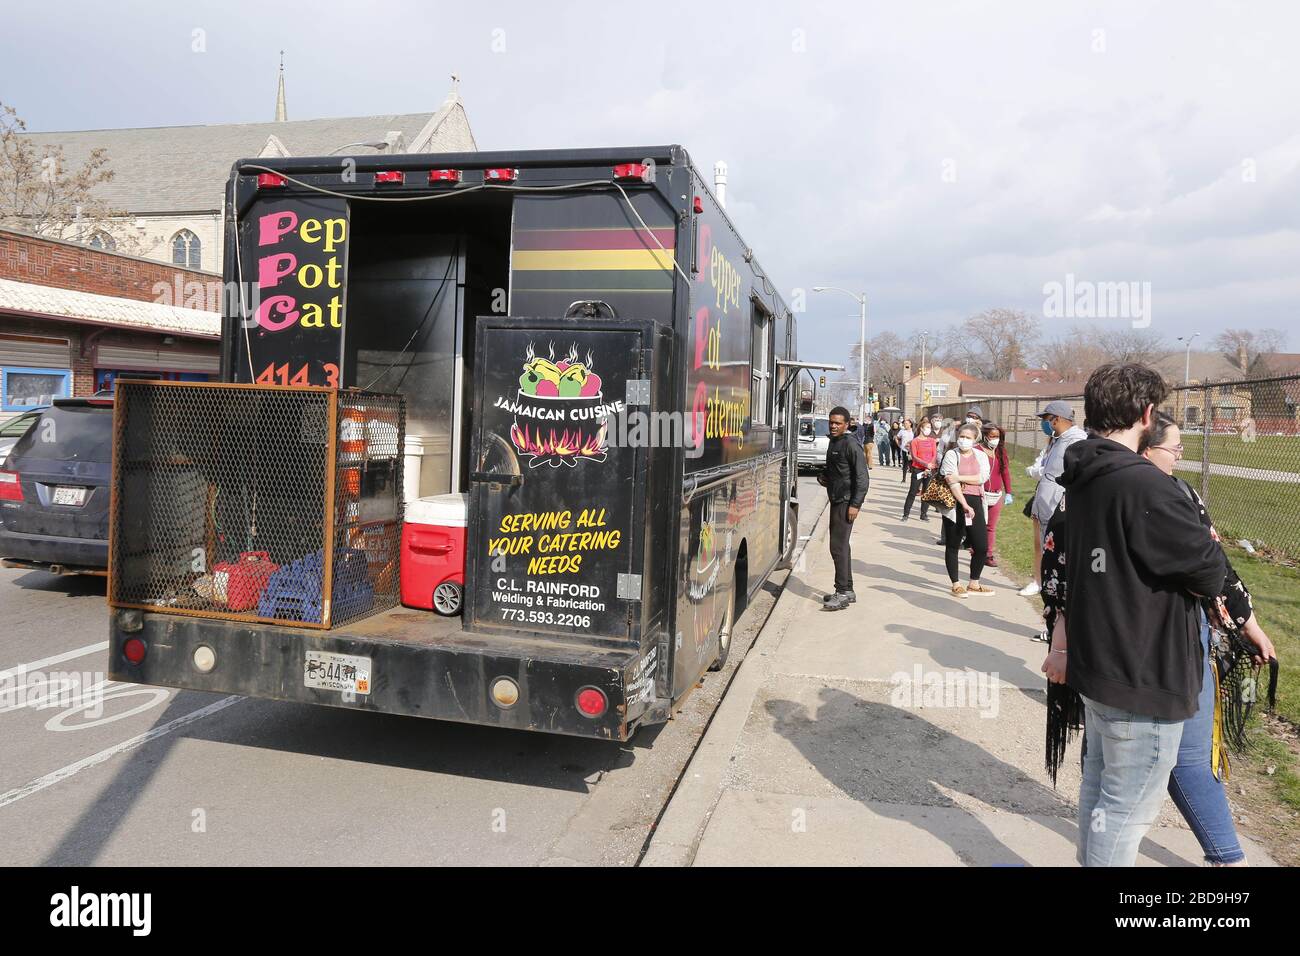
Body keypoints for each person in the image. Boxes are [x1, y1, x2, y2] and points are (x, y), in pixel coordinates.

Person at [1041, 364, 1225, 867]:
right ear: (1147, 415)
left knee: (1101, 798)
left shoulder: (1085, 477)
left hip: (1102, 666)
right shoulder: (1145, 485)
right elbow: (1209, 571)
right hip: (1141, 673)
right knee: (1124, 811)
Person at [1019, 400, 1086, 598]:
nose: (1045, 424)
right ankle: (1041, 584)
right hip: (1045, 508)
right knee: (1044, 553)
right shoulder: (1058, 440)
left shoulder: (1076, 441)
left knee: (1058, 562)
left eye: (1047, 420)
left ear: (1056, 420)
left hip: (1059, 511)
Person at [818, 406, 868, 611]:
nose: (834, 426)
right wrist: (825, 477)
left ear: (847, 424)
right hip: (836, 498)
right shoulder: (834, 442)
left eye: (838, 423)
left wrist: (855, 505)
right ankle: (847, 589)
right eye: (831, 422)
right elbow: (837, 470)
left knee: (837, 547)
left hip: (846, 501)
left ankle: (841, 592)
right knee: (842, 546)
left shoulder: (851, 444)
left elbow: (862, 479)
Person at [938, 422, 994, 597]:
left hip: (976, 500)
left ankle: (974, 583)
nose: (964, 440)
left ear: (975, 439)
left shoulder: (980, 455)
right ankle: (955, 584)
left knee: (981, 546)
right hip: (956, 503)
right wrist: (964, 504)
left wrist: (960, 476)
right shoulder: (951, 455)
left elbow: (983, 477)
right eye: (961, 437)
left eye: (968, 438)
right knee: (953, 544)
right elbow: (951, 481)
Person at [980, 422, 1011, 567]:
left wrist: (1009, 492)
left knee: (991, 527)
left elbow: (1005, 472)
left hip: (996, 495)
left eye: (997, 436)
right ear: (985, 436)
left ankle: (988, 555)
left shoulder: (1001, 452)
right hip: (980, 494)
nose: (995, 439)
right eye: (992, 436)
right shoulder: (977, 450)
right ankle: (976, 551)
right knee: (979, 525)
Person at [902, 417, 939, 520]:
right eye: (927, 427)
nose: (929, 429)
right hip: (918, 469)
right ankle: (906, 514)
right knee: (913, 492)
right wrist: (925, 464)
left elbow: (934, 454)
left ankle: (923, 514)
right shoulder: (915, 441)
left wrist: (930, 466)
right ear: (921, 429)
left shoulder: (932, 441)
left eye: (930, 427)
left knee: (926, 492)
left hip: (929, 469)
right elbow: (914, 456)